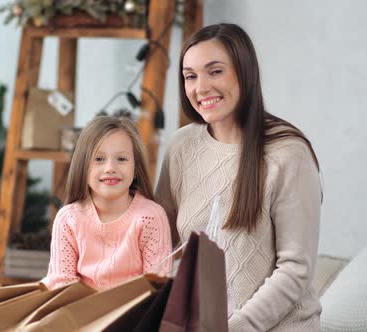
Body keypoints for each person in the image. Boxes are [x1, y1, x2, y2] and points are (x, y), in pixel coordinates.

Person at [155, 23, 323, 331]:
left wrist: (236, 327)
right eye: (190, 76)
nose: (200, 87)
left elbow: (296, 268)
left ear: (244, 72)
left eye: (215, 71)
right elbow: (160, 245)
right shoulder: (181, 146)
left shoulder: (288, 154)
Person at [42, 115, 172, 290]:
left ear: (136, 169)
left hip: (136, 315)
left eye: (122, 159)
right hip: (79, 313)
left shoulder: (151, 217)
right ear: (83, 167)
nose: (110, 167)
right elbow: (60, 285)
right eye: (99, 159)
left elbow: (158, 287)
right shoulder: (68, 218)